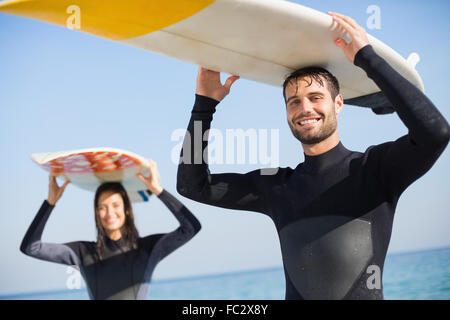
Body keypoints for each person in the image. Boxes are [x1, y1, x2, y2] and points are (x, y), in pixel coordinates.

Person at [177, 12, 450, 299]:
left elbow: (435, 133)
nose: (304, 108)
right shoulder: (276, 186)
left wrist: (366, 58)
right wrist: (204, 105)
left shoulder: (374, 169)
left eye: (315, 97)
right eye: (294, 102)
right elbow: (191, 186)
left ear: (338, 104)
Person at [21, 160, 201, 300]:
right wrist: (50, 203)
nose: (109, 213)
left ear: (126, 209)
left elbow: (191, 228)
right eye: (102, 207)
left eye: (115, 205)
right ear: (97, 212)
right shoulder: (82, 252)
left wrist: (158, 190)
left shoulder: (147, 249)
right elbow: (31, 248)